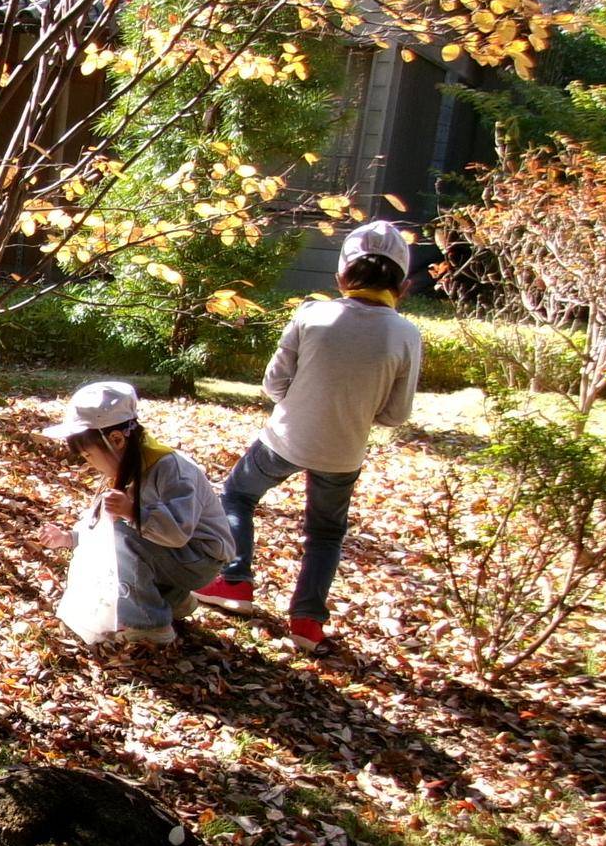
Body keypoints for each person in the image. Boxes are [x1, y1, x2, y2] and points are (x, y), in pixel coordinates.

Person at [193, 219, 424, 653]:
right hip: (344, 450)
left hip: (285, 438)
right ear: (403, 283)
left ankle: (236, 581)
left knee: (239, 495)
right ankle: (307, 622)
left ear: (341, 275)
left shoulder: (313, 316)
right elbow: (396, 414)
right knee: (325, 533)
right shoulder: (406, 334)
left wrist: (305, 401)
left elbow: (274, 385)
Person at [39, 380, 234, 646]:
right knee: (116, 539)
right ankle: (172, 600)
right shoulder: (127, 466)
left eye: (88, 455)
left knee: (122, 537)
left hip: (200, 558)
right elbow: (100, 524)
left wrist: (133, 511)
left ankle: (150, 625)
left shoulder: (170, 468)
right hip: (177, 557)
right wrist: (69, 537)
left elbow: (178, 532)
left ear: (116, 440)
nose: (89, 463)